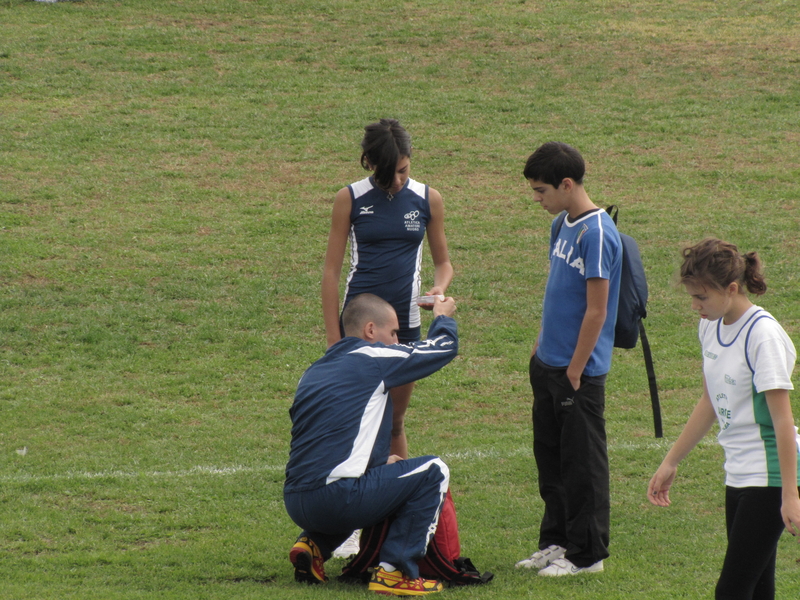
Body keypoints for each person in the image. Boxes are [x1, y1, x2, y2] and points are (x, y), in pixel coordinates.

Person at [648, 238, 800, 600]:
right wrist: (671, 461)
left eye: (702, 297)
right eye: (692, 296)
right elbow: (709, 401)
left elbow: (782, 421)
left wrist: (790, 494)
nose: (695, 305)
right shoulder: (710, 326)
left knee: (732, 590)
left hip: (770, 476)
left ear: (732, 289)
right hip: (738, 471)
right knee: (758, 586)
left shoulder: (762, 336)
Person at [285, 293, 458, 596]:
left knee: (378, 476)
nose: (396, 341)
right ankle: (395, 571)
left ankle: (312, 546)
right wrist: (442, 316)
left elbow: (333, 438)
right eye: (393, 333)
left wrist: (379, 466)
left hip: (296, 501)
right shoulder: (374, 358)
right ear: (369, 331)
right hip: (336, 498)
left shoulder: (312, 371)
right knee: (434, 470)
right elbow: (443, 348)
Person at [516, 142, 622, 576]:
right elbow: (558, 290)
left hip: (576, 374)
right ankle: (557, 541)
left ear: (566, 184)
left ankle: (587, 554)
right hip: (549, 363)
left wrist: (575, 369)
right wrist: (542, 346)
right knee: (552, 460)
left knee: (583, 467)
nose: (537, 200)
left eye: (541, 191)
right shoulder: (562, 223)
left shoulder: (597, 233)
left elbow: (597, 310)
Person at [321, 118, 454, 461]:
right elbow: (331, 272)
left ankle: (396, 503)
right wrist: (334, 338)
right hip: (358, 326)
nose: (396, 181)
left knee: (394, 420)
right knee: (359, 418)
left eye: (404, 171)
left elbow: (444, 263)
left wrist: (438, 289)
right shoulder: (349, 198)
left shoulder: (428, 199)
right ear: (368, 162)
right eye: (388, 174)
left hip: (405, 324)